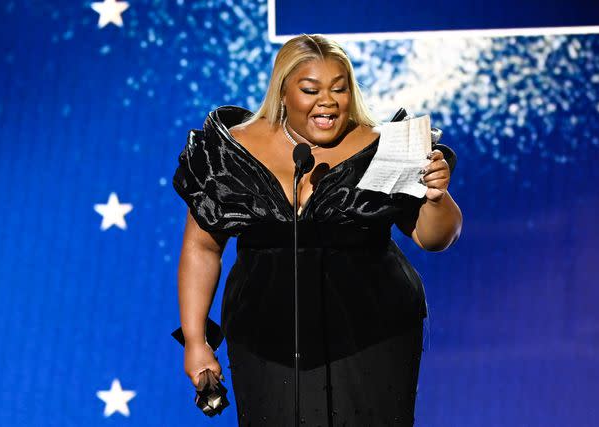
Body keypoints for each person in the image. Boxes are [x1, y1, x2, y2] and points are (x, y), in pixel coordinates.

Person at [173, 34, 462, 426]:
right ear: (283, 93)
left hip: (373, 336)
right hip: (264, 340)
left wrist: (435, 196)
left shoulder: (386, 145)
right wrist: (196, 340)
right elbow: (202, 248)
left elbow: (434, 238)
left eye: (339, 89)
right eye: (311, 89)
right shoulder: (231, 152)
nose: (327, 101)